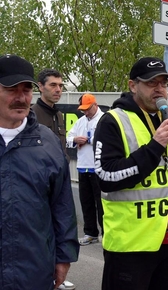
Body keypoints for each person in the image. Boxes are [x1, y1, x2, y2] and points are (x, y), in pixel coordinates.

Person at [93, 56, 168, 290]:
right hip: (131, 244)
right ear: (132, 86)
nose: (159, 89)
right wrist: (155, 146)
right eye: (151, 83)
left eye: (164, 83)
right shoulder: (113, 121)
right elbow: (106, 177)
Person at [0, 54, 79, 289]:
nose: (21, 98)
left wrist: (64, 257)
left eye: (26, 90)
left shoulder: (47, 143)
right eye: (12, 89)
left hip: (33, 270)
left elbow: (63, 205)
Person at [67, 93, 104, 246]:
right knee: (86, 202)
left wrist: (89, 140)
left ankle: (106, 233)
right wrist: (75, 140)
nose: (85, 112)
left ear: (95, 105)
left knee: (102, 204)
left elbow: (108, 139)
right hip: (83, 167)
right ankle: (90, 233)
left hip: (99, 168)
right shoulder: (80, 121)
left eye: (87, 109)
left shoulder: (104, 119)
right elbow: (68, 138)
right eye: (83, 109)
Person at [31, 69, 70, 163]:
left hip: (60, 173)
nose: (58, 90)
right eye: (53, 85)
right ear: (40, 86)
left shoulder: (59, 115)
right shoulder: (31, 115)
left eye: (60, 86)